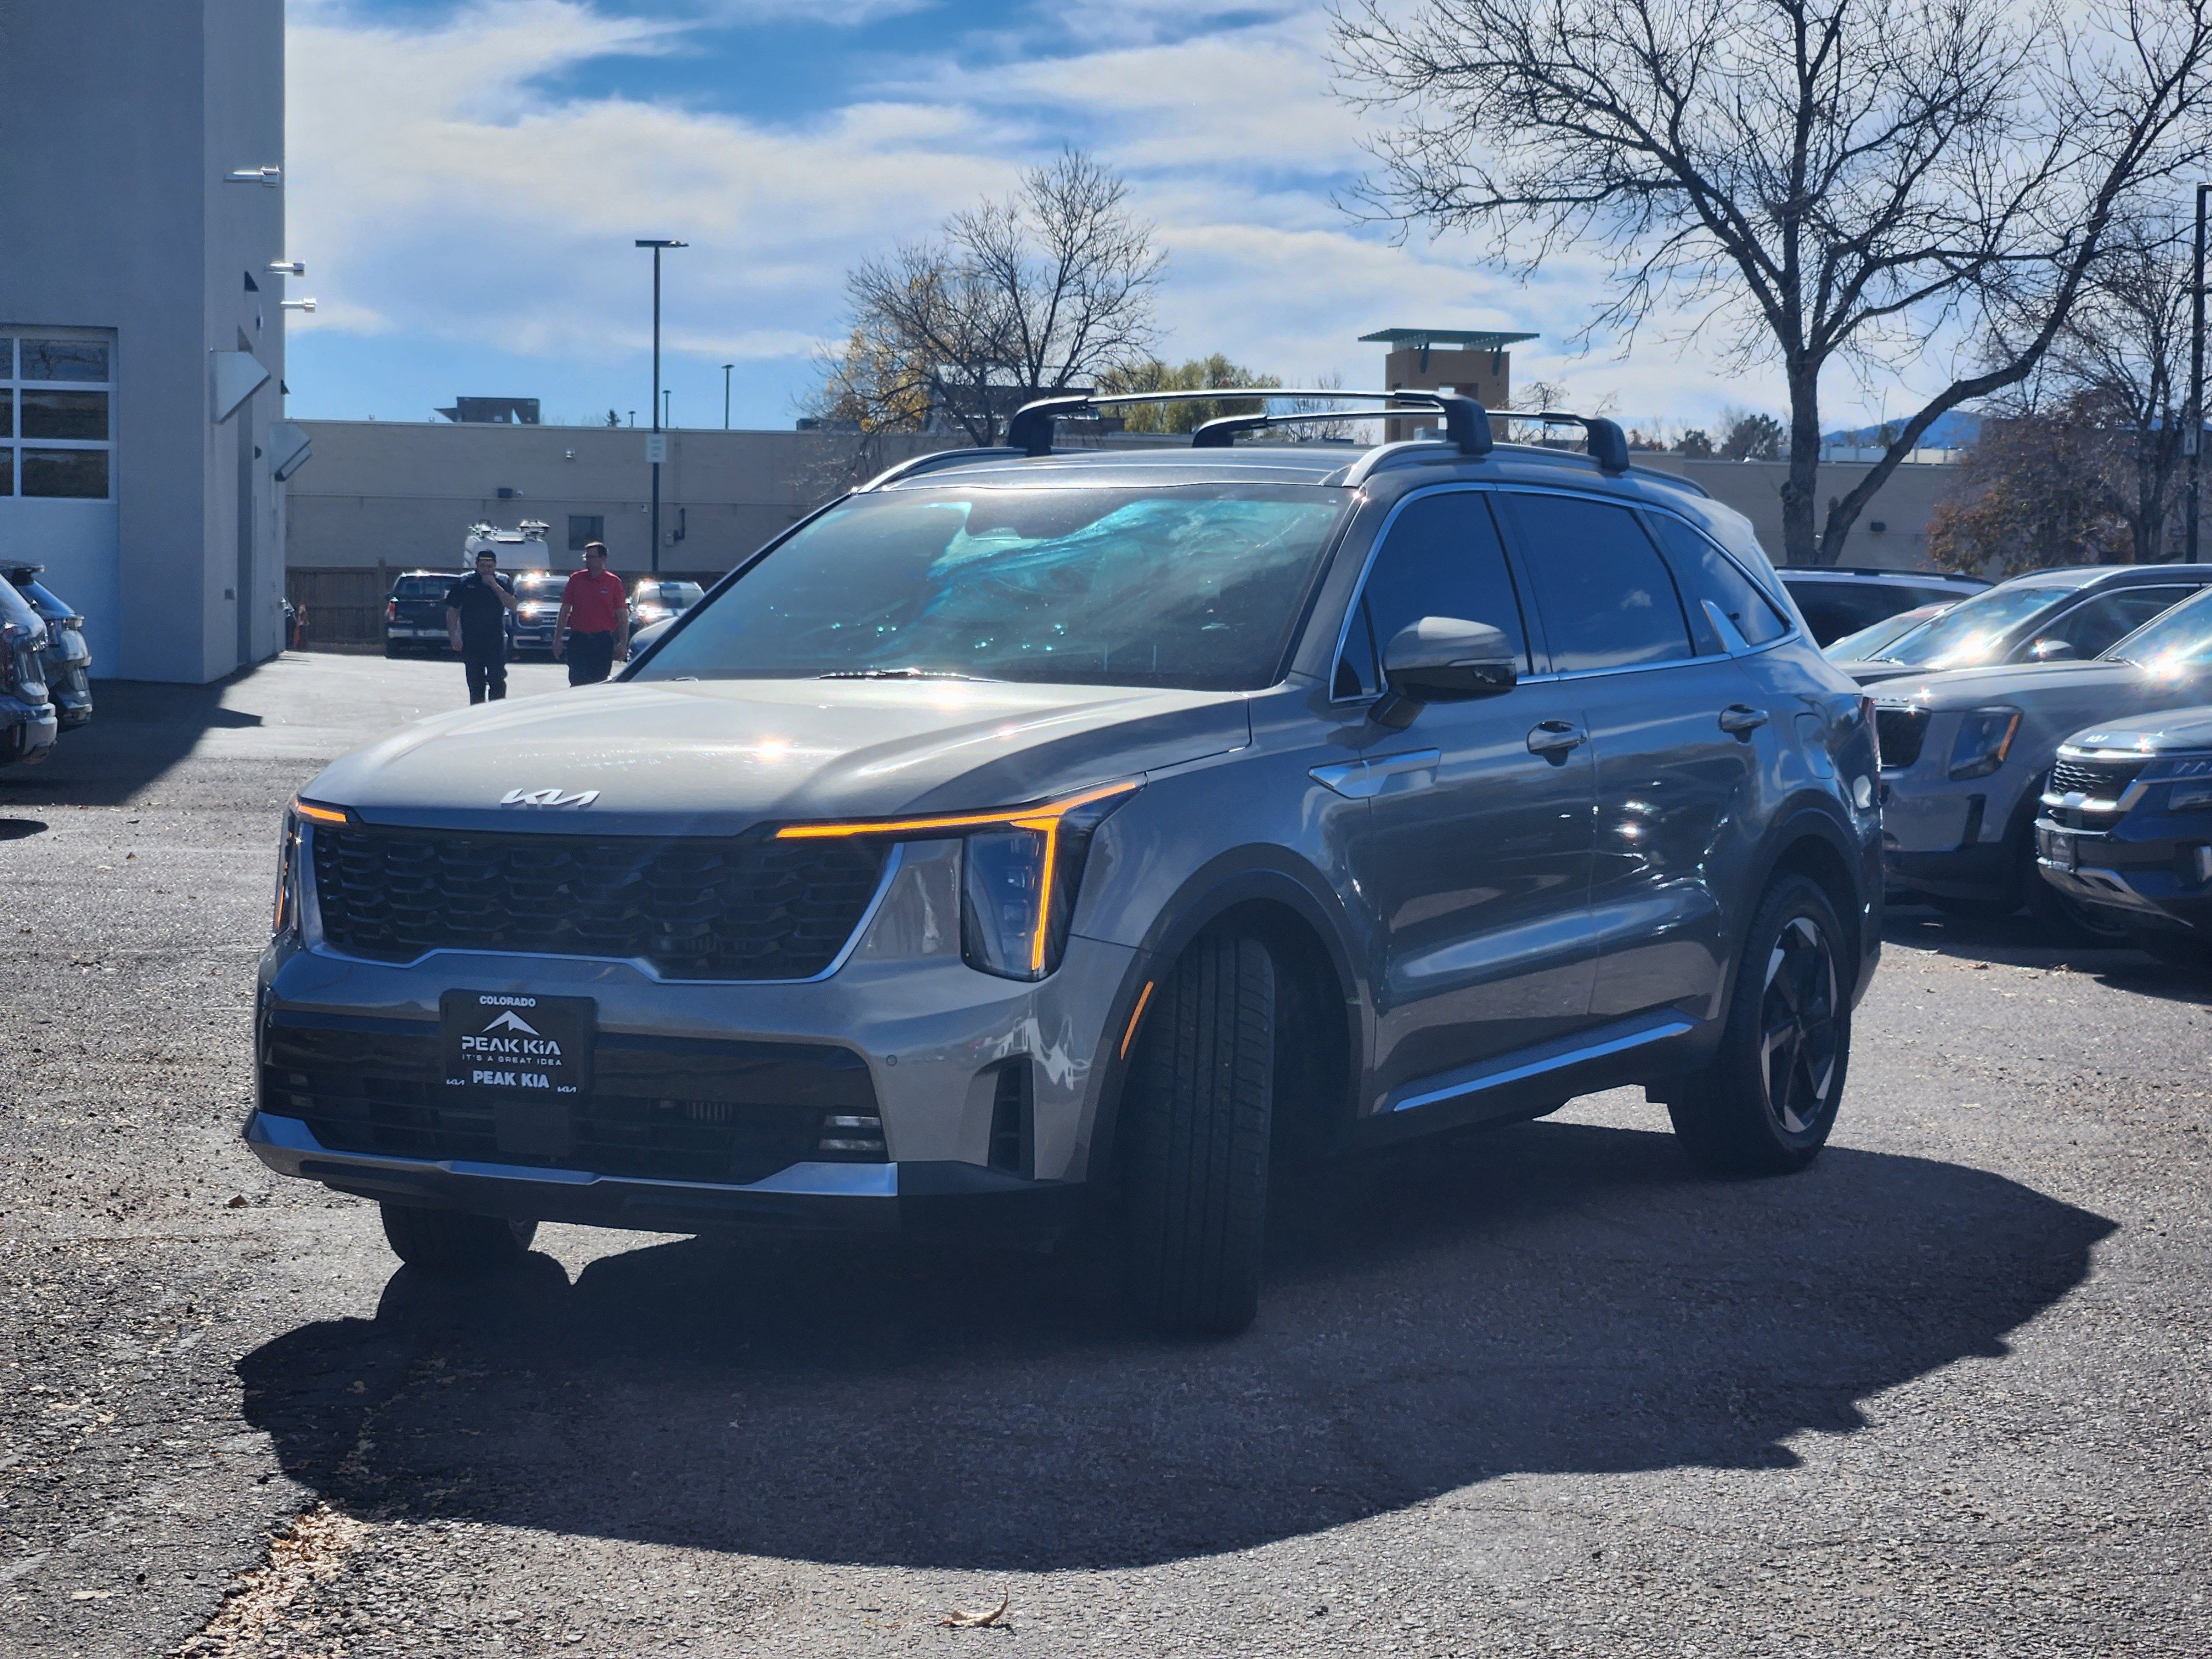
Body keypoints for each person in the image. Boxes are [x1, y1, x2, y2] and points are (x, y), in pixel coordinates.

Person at [445, 549, 519, 705]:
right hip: (472, 641)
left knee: (497, 680)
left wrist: (494, 586)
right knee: (475, 683)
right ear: (477, 565)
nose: (486, 570)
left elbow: (512, 605)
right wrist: (454, 636)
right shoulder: (465, 582)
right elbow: (452, 610)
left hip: (495, 641)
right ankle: (477, 716)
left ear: (496, 566)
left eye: (490, 567)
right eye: (483, 566)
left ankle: (496, 716)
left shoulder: (503, 581)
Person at [555, 541, 630, 687]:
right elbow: (565, 610)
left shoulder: (613, 582)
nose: (588, 561)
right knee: (577, 681)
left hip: (602, 641)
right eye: (587, 557)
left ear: (603, 559)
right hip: (579, 639)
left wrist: (623, 642)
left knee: (599, 683)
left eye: (592, 557)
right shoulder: (576, 579)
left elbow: (622, 614)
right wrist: (557, 638)